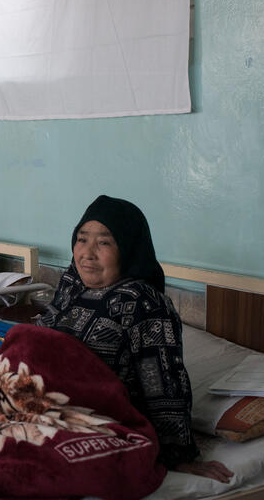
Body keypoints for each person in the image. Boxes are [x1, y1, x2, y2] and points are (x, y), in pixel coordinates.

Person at [37, 195, 233, 483]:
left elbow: (163, 385)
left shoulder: (145, 304)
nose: (87, 253)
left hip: (96, 423)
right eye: (82, 239)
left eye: (104, 242)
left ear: (128, 249)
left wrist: (179, 455)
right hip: (38, 406)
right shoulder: (73, 282)